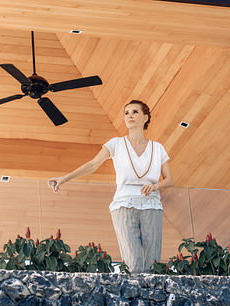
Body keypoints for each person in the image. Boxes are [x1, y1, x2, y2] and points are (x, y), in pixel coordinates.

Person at [48, 100, 173, 273]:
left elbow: (170, 180)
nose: (130, 116)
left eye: (135, 112)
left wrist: (154, 187)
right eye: (126, 113)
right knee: (133, 262)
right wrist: (64, 178)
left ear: (145, 117)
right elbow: (93, 165)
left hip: (152, 205)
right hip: (123, 205)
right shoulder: (116, 143)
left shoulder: (157, 148)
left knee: (152, 261)